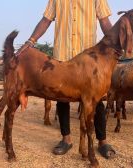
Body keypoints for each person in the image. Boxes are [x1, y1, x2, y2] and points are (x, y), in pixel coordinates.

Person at [25, 0, 115, 159]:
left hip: (88, 58)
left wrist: (116, 44)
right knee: (62, 98)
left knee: (97, 100)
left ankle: (102, 141)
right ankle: (66, 139)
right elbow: (46, 20)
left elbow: (105, 21)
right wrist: (31, 41)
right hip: (63, 54)